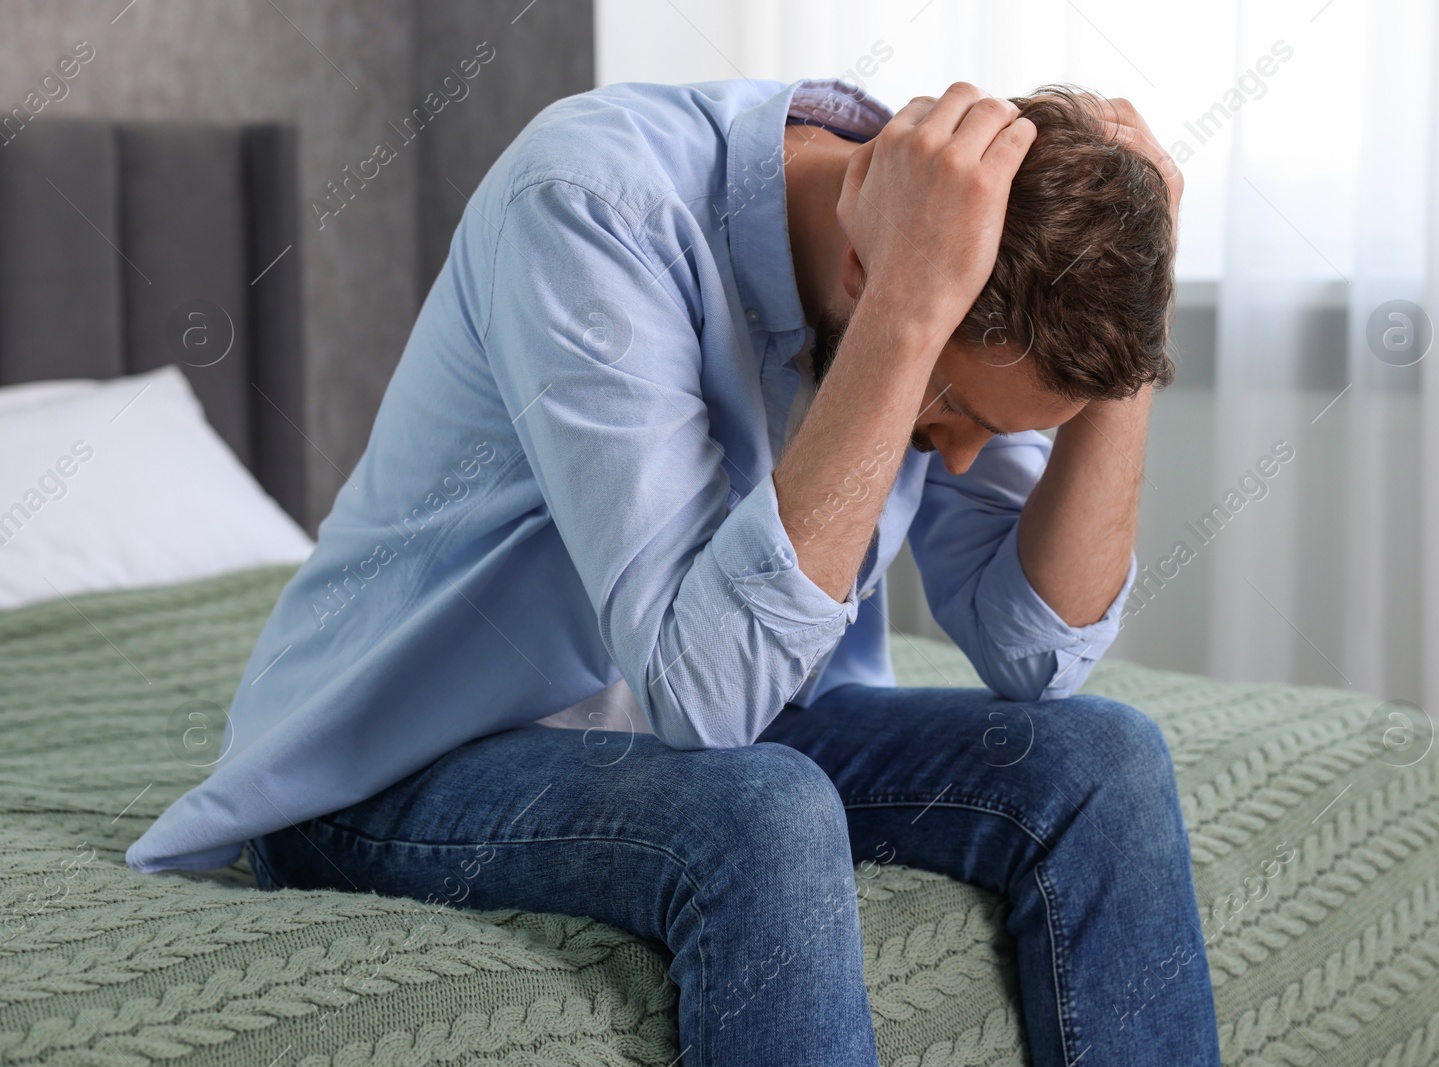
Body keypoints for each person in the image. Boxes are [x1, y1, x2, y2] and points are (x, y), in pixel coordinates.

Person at [126, 75, 1219, 1066]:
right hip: (399, 755)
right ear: (864, 269)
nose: (968, 455)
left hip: (711, 722)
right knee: (768, 808)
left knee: (1104, 760)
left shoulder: (961, 243)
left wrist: (1137, 328)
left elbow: (1035, 651)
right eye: (961, 410)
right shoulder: (591, 200)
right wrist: (900, 321)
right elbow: (704, 699)